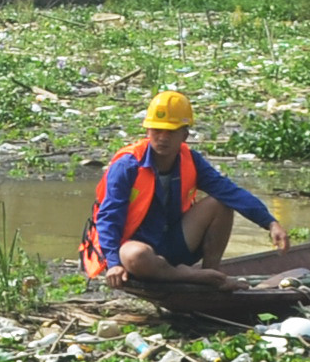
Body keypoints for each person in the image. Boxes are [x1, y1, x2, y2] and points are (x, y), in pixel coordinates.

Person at [80, 90, 279, 291]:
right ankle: (193, 276)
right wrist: (113, 263)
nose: (162, 138)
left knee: (220, 203)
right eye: (157, 130)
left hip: (173, 242)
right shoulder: (128, 166)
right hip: (134, 248)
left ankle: (213, 275)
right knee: (136, 256)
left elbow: (229, 191)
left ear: (184, 134)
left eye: (171, 132)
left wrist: (269, 222)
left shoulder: (191, 160)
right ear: (147, 131)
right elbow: (108, 217)